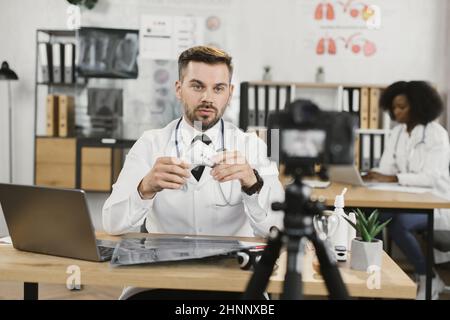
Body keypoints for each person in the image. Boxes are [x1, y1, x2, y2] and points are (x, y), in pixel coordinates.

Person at [102, 46, 284, 299]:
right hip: (160, 280)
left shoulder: (252, 146)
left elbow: (278, 230)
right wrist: (145, 188)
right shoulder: (150, 143)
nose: (207, 97)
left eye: (218, 88)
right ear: (179, 88)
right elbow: (112, 223)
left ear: (230, 93)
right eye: (197, 86)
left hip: (233, 281)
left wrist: (253, 185)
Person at [364, 81, 450, 299]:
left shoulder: (436, 135)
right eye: (394, 107)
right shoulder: (397, 134)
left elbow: (431, 178)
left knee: (399, 223)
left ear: (418, 106)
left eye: (402, 107)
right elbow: (386, 168)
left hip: (436, 202)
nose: (396, 112)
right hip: (405, 199)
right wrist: (371, 174)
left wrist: (393, 177)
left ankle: (427, 276)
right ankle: (372, 278)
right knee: (374, 216)